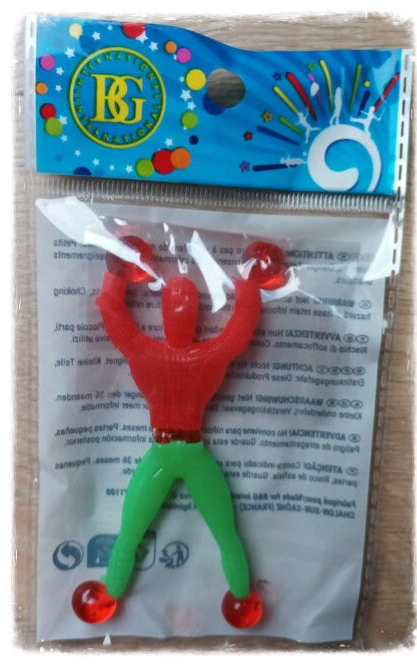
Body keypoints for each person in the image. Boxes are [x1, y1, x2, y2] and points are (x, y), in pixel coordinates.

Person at [72, 237, 286, 628]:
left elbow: (114, 317)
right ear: (197, 317)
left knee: (131, 532)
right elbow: (240, 329)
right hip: (192, 454)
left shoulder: (146, 352)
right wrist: (249, 282)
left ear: (164, 314)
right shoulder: (207, 355)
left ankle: (110, 593)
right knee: (224, 532)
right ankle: (242, 596)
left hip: (163, 453)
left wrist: (116, 275)